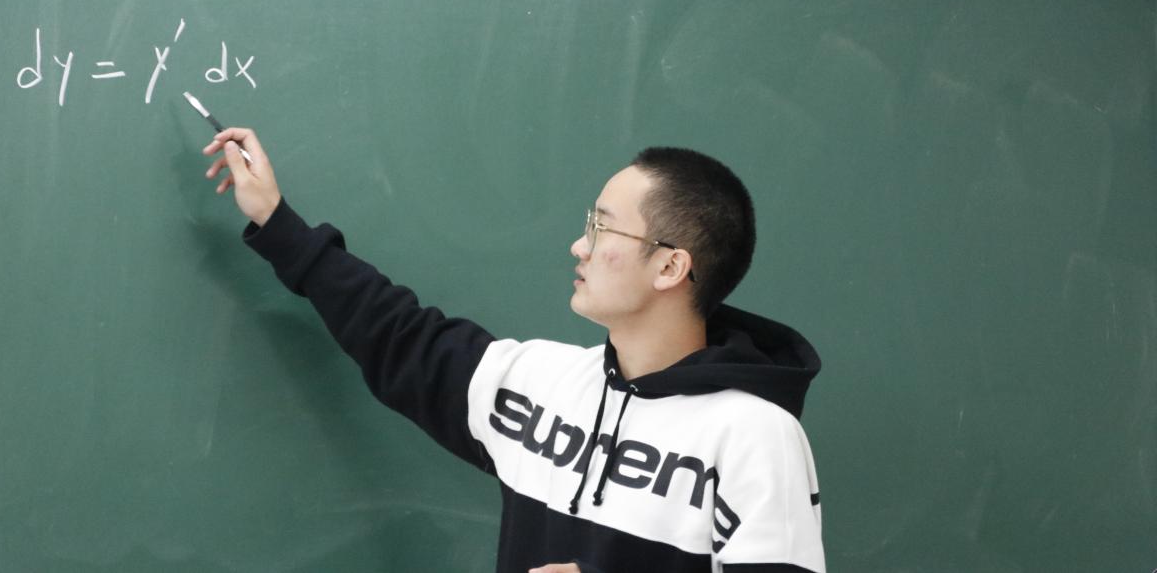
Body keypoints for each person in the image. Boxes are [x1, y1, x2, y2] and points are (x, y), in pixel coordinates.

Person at [202, 129, 825, 573]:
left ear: (669, 266)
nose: (579, 246)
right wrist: (279, 224)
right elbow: (398, 335)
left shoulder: (754, 436)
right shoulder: (540, 384)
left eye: (602, 227)